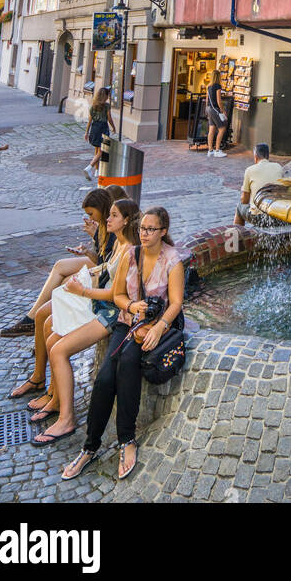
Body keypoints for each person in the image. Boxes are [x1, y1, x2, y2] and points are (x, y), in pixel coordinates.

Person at [61, 205, 185, 483]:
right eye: (142, 228)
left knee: (127, 365)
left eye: (151, 230)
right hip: (126, 322)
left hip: (153, 327)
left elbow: (176, 302)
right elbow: (116, 295)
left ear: (163, 231)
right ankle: (89, 448)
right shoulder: (131, 254)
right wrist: (131, 304)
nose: (144, 234)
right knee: (105, 378)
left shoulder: (172, 259)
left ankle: (127, 440)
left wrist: (160, 327)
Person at [28, 198, 140, 446]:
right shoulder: (120, 245)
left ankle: (67, 419)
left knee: (58, 350)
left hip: (110, 313)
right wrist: (87, 275)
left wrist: (81, 291)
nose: (107, 219)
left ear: (126, 221)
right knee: (50, 331)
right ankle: (56, 399)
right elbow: (105, 270)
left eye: (113, 216)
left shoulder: (128, 249)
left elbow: (115, 295)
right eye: (108, 214)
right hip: (100, 306)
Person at [4, 188, 114, 352]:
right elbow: (101, 256)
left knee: (65, 281)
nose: (90, 218)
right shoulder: (103, 224)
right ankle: (32, 319)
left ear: (102, 209)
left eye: (92, 214)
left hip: (106, 270)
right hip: (103, 264)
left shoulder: (111, 226)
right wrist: (89, 247)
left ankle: (44, 327)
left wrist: (96, 236)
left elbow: (106, 262)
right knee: (60, 265)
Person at [234, 142, 283, 223]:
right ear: (268, 156)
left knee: (239, 207)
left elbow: (244, 200)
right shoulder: (278, 167)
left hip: (259, 217)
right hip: (276, 216)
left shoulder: (250, 170)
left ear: (255, 157)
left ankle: (239, 233)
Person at [84, 87, 115, 181]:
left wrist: (86, 132)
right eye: (108, 95)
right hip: (103, 128)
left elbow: (89, 120)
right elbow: (109, 118)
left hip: (94, 128)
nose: (108, 97)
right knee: (103, 150)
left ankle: (97, 171)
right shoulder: (106, 106)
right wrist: (113, 127)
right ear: (105, 96)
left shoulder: (93, 105)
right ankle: (90, 167)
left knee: (97, 149)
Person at [205, 71, 228, 158]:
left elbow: (207, 100)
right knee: (222, 129)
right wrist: (222, 111)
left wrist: (206, 111)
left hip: (209, 109)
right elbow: (219, 101)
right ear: (218, 77)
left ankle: (210, 150)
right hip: (215, 109)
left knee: (211, 130)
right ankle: (217, 150)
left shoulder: (208, 86)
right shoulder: (217, 86)